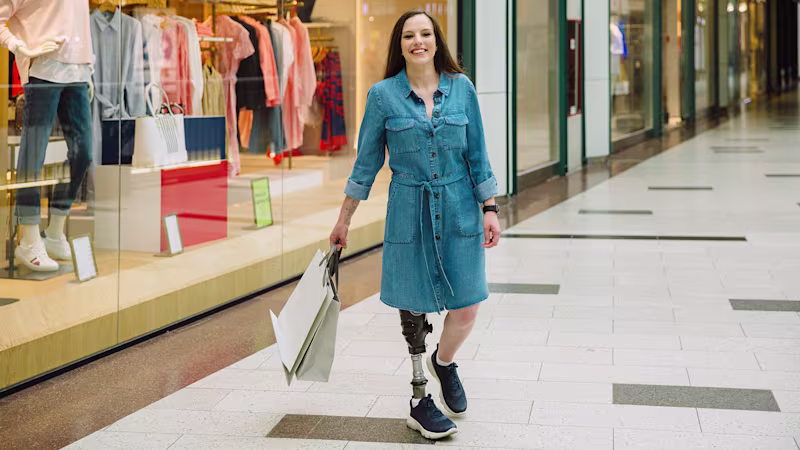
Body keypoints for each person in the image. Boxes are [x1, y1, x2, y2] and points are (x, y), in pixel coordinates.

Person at [329, 9, 501, 440]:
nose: (418, 41)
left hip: (460, 206)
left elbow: (477, 154)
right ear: (400, 44)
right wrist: (343, 220)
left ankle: (444, 363)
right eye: (409, 35)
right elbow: (366, 164)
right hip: (409, 209)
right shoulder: (383, 96)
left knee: (468, 305)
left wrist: (490, 207)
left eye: (425, 34)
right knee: (414, 308)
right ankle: (419, 397)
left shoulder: (461, 89)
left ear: (437, 41)